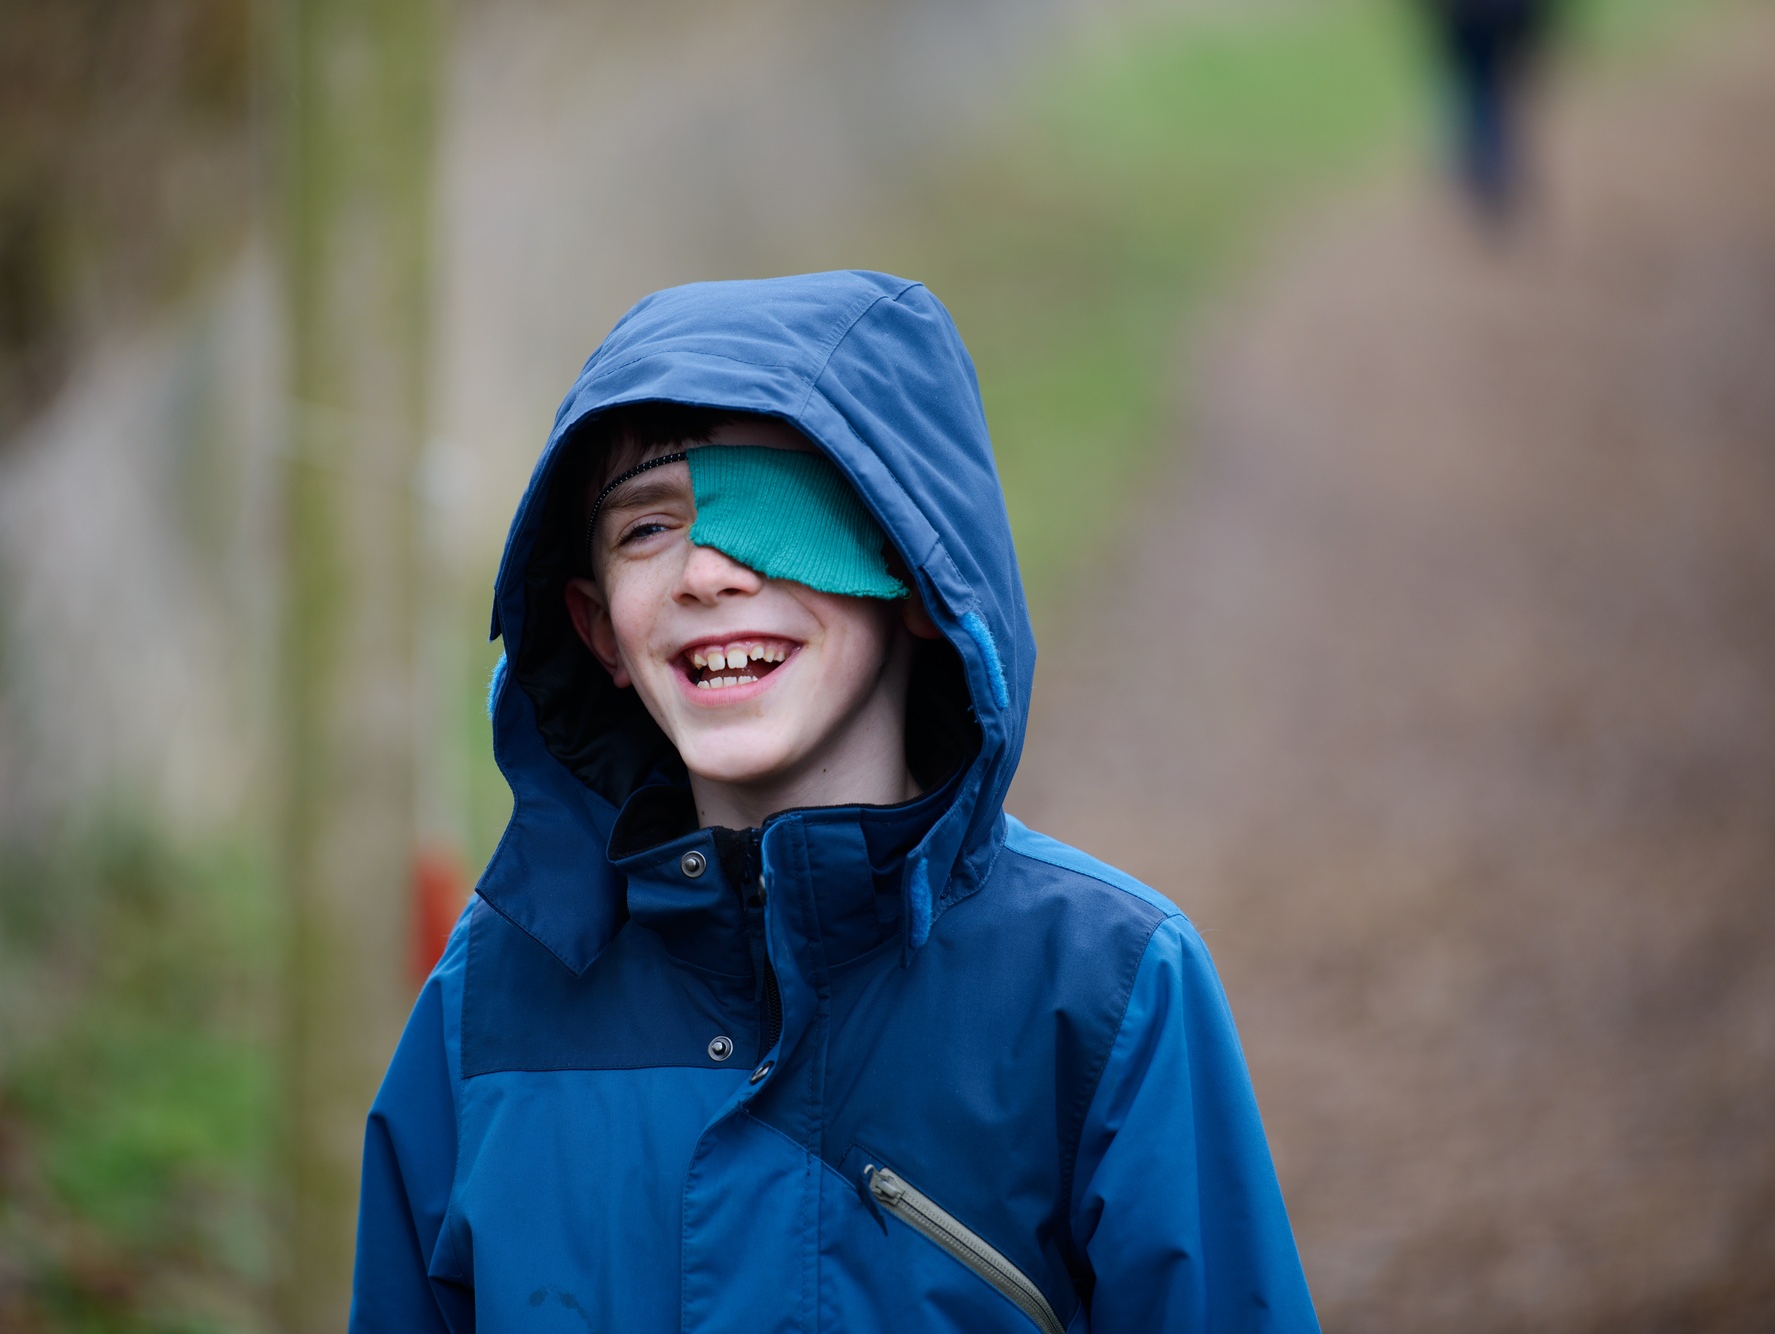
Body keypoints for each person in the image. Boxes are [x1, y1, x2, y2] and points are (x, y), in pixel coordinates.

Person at [351, 270, 1318, 1332]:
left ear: (917, 575)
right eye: (646, 529)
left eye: (772, 506)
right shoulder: (485, 1006)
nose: (706, 571)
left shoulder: (1107, 988)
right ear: (597, 630)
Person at [1422, 0, 1557, 221]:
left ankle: (1491, 166)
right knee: (1497, 88)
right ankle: (1496, 165)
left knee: (1483, 87)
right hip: (1502, 16)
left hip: (1472, 17)